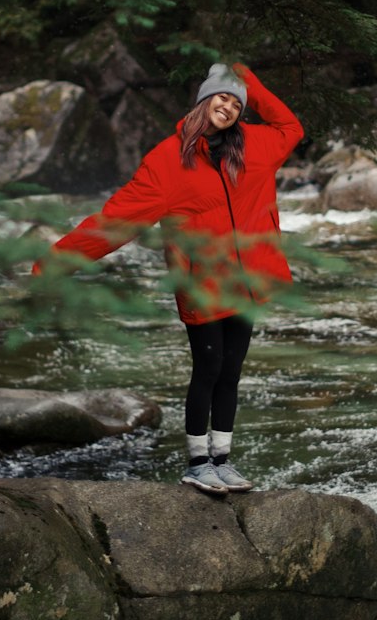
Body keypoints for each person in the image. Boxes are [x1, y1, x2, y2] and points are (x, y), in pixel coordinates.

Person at [35, 61, 303, 496]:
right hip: (201, 283)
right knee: (209, 368)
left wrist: (248, 79)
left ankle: (222, 460)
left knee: (232, 372)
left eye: (237, 103)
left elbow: (290, 125)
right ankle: (198, 463)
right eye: (222, 96)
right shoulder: (167, 160)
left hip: (247, 281)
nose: (229, 107)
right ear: (202, 99)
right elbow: (116, 220)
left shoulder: (257, 146)